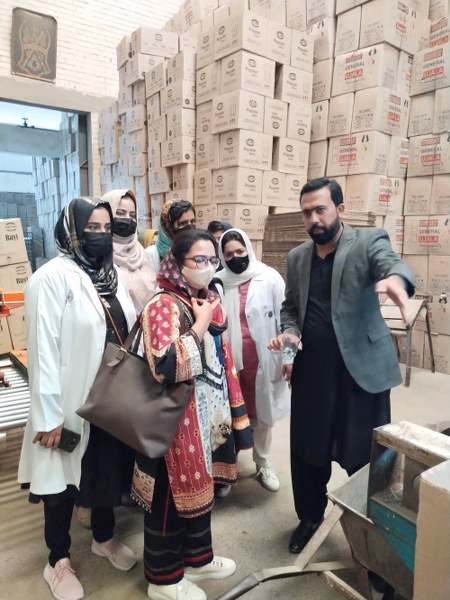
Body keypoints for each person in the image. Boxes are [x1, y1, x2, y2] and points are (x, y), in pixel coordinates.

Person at [268, 177, 415, 555]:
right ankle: (310, 518)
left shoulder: (368, 241)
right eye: (306, 213)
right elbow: (290, 308)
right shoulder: (298, 257)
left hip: (360, 375)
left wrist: (396, 281)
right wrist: (290, 337)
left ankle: (372, 535)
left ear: (340, 208)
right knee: (307, 452)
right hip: (312, 373)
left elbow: (390, 264)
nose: (313, 219)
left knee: (367, 458)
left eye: (320, 209)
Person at [18, 197, 138, 600]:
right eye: (92, 228)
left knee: (103, 474)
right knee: (60, 488)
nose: (101, 235)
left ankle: (103, 539)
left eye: (106, 228)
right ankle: (57, 560)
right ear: (71, 231)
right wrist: (49, 416)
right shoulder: (49, 279)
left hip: (109, 401)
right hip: (68, 406)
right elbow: (42, 351)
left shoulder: (112, 276)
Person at [132, 228, 253, 600]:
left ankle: (198, 559)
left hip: (204, 417)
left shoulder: (205, 298)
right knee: (170, 499)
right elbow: (166, 366)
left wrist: (206, 315)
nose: (207, 267)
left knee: (201, 492)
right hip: (174, 425)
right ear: (176, 263)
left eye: (212, 260)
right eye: (198, 260)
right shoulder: (163, 304)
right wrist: (200, 325)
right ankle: (163, 579)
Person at [217, 228, 290, 495]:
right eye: (228, 254)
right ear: (222, 257)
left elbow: (287, 319)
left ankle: (263, 463)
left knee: (262, 417)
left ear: (248, 249)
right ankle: (227, 469)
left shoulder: (269, 277)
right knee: (229, 417)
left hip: (264, 360)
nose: (235, 257)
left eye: (240, 251)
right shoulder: (217, 282)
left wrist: (289, 357)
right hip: (229, 365)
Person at [101, 188, 157, 314]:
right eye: (120, 213)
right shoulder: (99, 256)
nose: (128, 219)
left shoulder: (142, 254)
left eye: (132, 215)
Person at [145, 199, 196, 277]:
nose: (189, 227)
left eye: (192, 221)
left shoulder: (194, 250)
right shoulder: (150, 255)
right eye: (183, 223)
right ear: (169, 226)